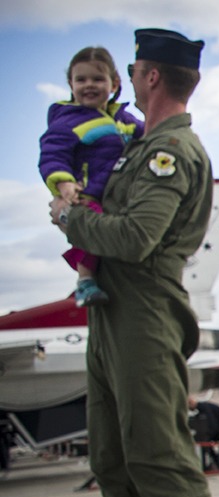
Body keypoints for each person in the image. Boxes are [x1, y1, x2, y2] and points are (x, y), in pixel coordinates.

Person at [49, 28, 219, 497]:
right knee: (112, 461)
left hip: (145, 311)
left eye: (132, 71)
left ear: (149, 78)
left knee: (159, 457)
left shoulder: (170, 153)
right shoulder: (136, 147)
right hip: (109, 314)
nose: (125, 80)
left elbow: (135, 238)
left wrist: (70, 217)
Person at [39, 45, 144, 308]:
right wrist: (63, 182)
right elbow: (53, 153)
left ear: (114, 83)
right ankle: (85, 281)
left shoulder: (123, 119)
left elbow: (149, 134)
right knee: (91, 227)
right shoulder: (68, 120)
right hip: (85, 192)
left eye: (97, 79)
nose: (89, 85)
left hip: (117, 194)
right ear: (70, 84)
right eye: (81, 79)